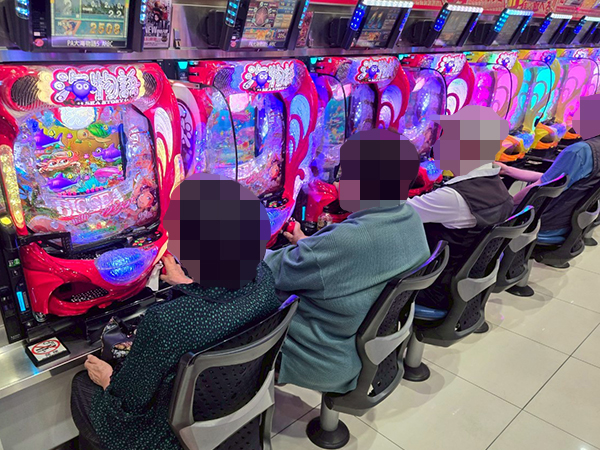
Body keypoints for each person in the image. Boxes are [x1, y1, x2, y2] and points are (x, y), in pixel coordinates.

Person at [70, 173, 279, 450]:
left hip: (169, 436)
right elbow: (223, 302)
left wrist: (107, 379)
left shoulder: (166, 322)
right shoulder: (264, 278)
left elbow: (127, 401)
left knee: (83, 384)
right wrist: (189, 284)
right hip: (233, 407)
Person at [264, 129, 430, 394]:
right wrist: (310, 245)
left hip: (319, 355)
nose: (338, 183)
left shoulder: (349, 240)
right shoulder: (410, 217)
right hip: (360, 346)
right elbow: (341, 262)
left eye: (344, 174)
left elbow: (268, 270)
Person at [406, 106, 514, 310]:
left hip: (433, 289)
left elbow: (395, 213)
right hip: (459, 287)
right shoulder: (497, 187)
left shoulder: (454, 198)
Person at [496, 94, 600, 244]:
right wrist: (508, 170)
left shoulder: (579, 151)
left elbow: (540, 187)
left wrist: (506, 207)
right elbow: (554, 178)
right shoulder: (591, 149)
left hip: (546, 223)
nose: (573, 117)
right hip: (565, 220)